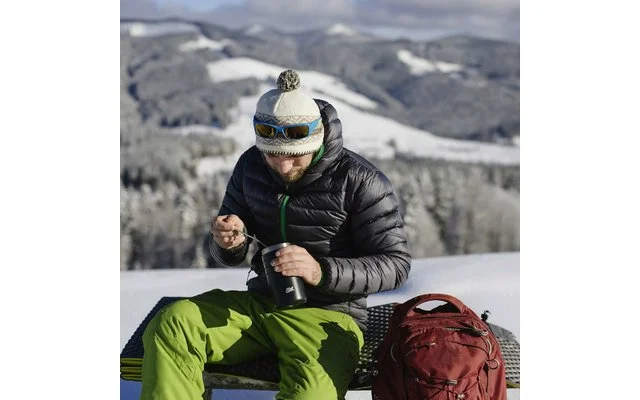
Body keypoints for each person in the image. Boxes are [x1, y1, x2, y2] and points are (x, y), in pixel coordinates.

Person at [140, 69, 412, 400]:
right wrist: (229, 242)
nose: (283, 167)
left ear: (316, 141)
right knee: (174, 323)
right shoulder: (250, 166)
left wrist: (320, 271)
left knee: (311, 395)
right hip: (260, 305)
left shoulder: (360, 181)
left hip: (330, 318)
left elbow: (396, 265)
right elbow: (230, 245)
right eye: (272, 154)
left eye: (294, 155)